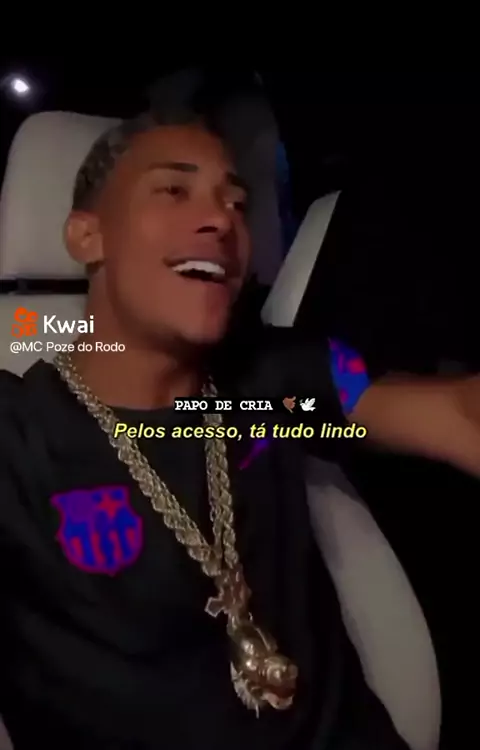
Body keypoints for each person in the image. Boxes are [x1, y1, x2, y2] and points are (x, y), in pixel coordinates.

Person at [0, 94, 479, 750]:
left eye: (235, 203)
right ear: (88, 235)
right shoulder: (20, 437)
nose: (220, 221)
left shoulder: (270, 389)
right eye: (173, 190)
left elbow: (453, 411)